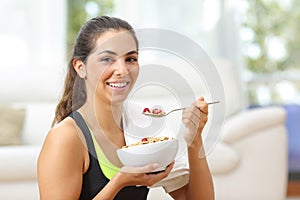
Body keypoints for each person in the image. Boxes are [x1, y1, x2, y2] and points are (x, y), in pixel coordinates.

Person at [37, 16, 214, 200]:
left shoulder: (142, 124)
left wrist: (194, 140)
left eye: (130, 58)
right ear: (81, 67)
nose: (122, 70)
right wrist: (119, 182)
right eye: (107, 59)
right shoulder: (66, 137)